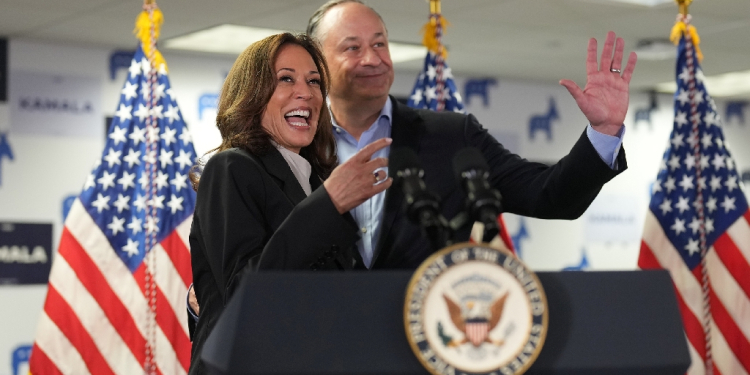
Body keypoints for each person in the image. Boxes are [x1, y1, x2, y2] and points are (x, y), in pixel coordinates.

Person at [305, 0, 637, 269]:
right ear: (318, 62)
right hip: (321, 334)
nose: (373, 58)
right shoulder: (293, 143)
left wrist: (604, 131)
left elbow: (549, 195)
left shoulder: (451, 136)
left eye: (379, 43)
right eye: (352, 48)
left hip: (425, 333)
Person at [187, 32, 391, 375]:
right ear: (252, 95)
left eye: (314, 82)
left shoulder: (315, 185)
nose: (306, 93)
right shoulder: (233, 167)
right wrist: (328, 204)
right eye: (286, 79)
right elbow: (246, 294)